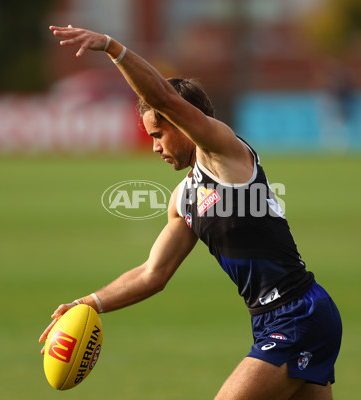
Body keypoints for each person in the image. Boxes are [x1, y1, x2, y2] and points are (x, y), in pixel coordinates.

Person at [39, 25, 342, 400]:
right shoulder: (184, 197)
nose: (154, 148)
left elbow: (164, 97)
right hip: (274, 321)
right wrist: (87, 304)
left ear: (183, 123)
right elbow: (154, 273)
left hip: (298, 315)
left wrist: (113, 48)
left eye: (158, 134)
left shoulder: (223, 152)